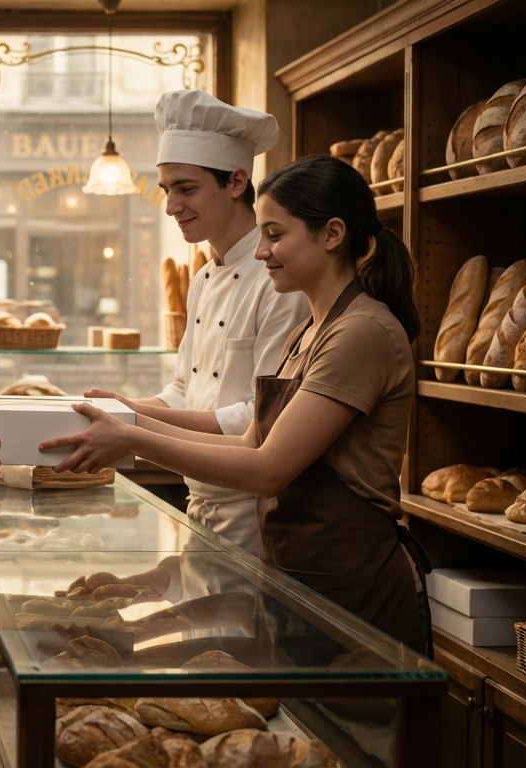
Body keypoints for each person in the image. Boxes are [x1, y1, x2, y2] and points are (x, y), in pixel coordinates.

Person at [42, 154, 429, 654]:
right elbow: (247, 441)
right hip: (300, 583)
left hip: (353, 593)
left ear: (332, 234)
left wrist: (132, 437)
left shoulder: (361, 333)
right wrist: (129, 419)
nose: (262, 251)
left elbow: (267, 469)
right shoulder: (311, 330)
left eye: (275, 234)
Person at [86, 90, 308, 557]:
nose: (171, 206)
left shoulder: (280, 278)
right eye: (167, 190)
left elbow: (259, 419)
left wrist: (131, 421)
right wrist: (123, 407)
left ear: (236, 182)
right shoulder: (205, 276)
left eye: (186, 189)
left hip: (255, 509)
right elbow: (183, 390)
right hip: (200, 499)